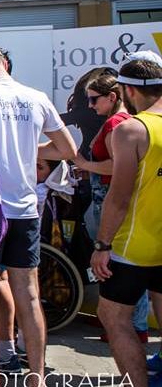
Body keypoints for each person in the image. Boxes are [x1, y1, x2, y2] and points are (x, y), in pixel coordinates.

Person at [0, 43, 76, 386]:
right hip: (25, 211)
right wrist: (27, 148)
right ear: (4, 63)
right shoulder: (36, 97)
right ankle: (36, 376)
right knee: (30, 296)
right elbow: (68, 150)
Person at [91, 52, 162, 387]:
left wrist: (102, 244)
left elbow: (118, 197)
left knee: (113, 316)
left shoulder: (132, 130)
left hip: (135, 245)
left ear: (128, 91)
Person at [72, 72, 152, 343]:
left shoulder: (117, 124)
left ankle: (131, 326)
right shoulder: (122, 123)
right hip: (109, 195)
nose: (91, 106)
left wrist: (86, 166)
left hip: (109, 198)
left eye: (94, 100)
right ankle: (133, 325)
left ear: (113, 97)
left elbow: (118, 167)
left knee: (114, 265)